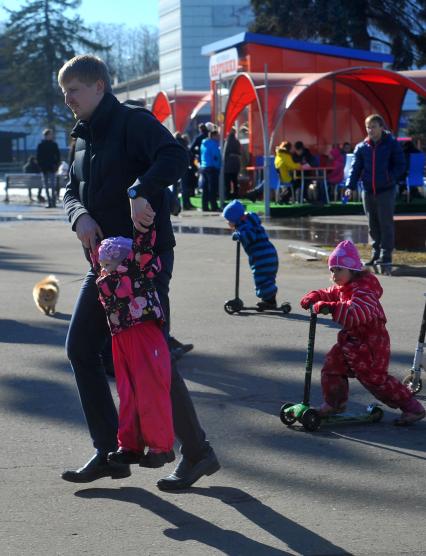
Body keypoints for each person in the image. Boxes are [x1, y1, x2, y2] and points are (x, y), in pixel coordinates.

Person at [58, 54, 219, 489]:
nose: (67, 99)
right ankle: (112, 450)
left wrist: (139, 189)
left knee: (152, 354)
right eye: (64, 92)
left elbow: (174, 155)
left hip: (144, 262)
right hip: (105, 267)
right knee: (80, 348)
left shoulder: (132, 121)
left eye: (73, 89)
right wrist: (79, 217)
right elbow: (69, 189)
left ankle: (198, 452)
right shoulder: (80, 138)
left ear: (98, 86)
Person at [300, 240, 425, 425]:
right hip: (351, 341)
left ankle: (412, 407)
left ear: (353, 270)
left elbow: (356, 313)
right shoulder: (346, 286)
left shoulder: (365, 289)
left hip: (371, 344)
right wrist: (316, 296)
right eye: (332, 270)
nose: (334, 275)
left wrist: (331, 308)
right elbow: (333, 293)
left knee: (375, 380)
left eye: (339, 270)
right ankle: (334, 403)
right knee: (332, 366)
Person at [92, 229, 175, 468]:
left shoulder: (138, 266)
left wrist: (139, 209)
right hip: (121, 337)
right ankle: (129, 445)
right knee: (127, 393)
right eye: (103, 263)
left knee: (150, 390)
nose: (105, 267)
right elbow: (96, 256)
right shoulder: (105, 273)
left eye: (109, 263)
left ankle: (161, 447)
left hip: (143, 333)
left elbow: (144, 245)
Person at [345, 114, 405, 268]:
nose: (370, 130)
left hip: (386, 189)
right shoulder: (362, 147)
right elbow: (355, 168)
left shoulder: (391, 144)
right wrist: (349, 187)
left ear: (381, 127)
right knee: (372, 223)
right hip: (368, 190)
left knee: (385, 223)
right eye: (368, 127)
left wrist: (389, 178)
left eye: (373, 127)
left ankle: (386, 255)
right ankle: (375, 253)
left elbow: (400, 165)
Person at [223, 199, 279, 310]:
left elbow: (249, 236)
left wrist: (239, 235)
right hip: (267, 254)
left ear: (235, 219)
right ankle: (269, 300)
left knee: (262, 278)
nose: (228, 223)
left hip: (262, 257)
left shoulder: (245, 226)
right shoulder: (249, 221)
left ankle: (270, 302)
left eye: (229, 220)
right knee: (266, 279)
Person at [36, 128, 61, 208]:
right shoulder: (41, 145)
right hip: (44, 169)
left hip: (52, 168)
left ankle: (53, 202)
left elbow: (58, 156)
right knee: (46, 186)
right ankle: (50, 202)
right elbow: (38, 157)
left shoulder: (54, 144)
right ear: (46, 135)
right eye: (50, 134)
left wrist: (56, 165)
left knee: (53, 186)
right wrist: (41, 166)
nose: (51, 136)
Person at [200, 129, 221, 211]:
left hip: (204, 167)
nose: (218, 137)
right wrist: (218, 167)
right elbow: (216, 157)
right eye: (217, 136)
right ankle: (214, 206)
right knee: (213, 189)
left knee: (205, 188)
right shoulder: (213, 144)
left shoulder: (203, 144)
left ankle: (204, 206)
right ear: (213, 136)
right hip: (212, 168)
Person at [223, 128, 241, 199]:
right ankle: (235, 195)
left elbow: (224, 153)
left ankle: (227, 195)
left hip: (227, 165)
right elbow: (239, 152)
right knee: (235, 181)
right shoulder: (237, 142)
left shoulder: (226, 142)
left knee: (227, 182)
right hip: (235, 164)